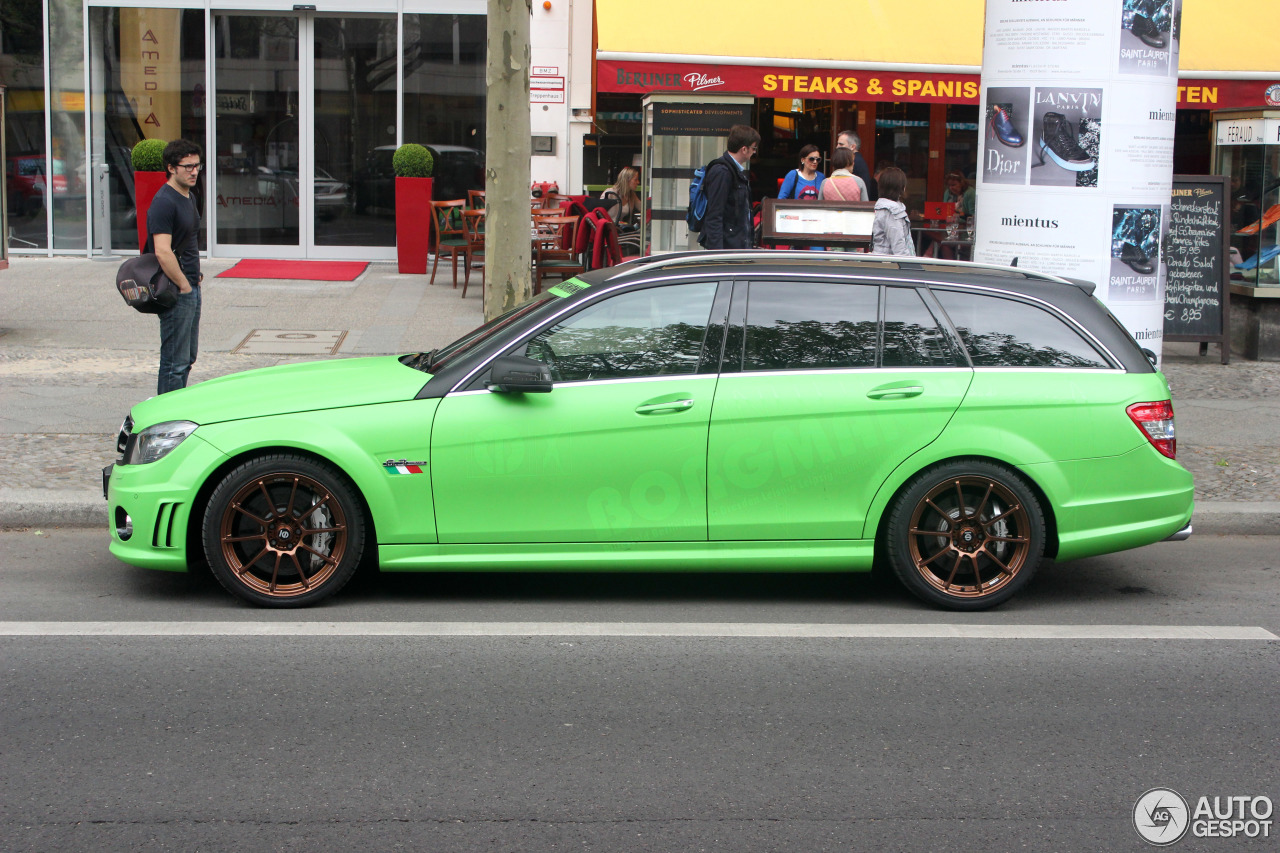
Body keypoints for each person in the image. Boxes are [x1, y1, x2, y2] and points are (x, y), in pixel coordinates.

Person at [148, 139, 204, 395]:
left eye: (197, 166)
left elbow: (189, 240)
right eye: (188, 166)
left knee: (187, 357)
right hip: (176, 289)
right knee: (174, 362)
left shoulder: (188, 197)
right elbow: (162, 250)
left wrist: (195, 276)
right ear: (171, 168)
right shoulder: (164, 202)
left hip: (191, 284)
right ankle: (166, 419)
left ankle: (175, 409)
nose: (194, 172)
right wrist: (183, 284)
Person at [699, 124, 759, 251]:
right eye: (754, 148)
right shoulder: (723, 172)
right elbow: (714, 214)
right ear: (744, 149)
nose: (754, 152)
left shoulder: (733, 171)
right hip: (728, 249)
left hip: (734, 247)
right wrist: (718, 256)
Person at [871, 166, 913, 256]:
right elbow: (898, 246)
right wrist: (909, 266)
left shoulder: (882, 207)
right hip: (890, 265)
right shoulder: (892, 211)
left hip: (881, 260)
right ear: (902, 187)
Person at [836, 129, 877, 200]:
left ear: (852, 147)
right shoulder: (858, 160)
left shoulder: (853, 162)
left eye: (841, 144)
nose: (837, 147)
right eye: (838, 144)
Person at [601, 166, 641, 231]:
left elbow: (641, 207)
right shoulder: (610, 193)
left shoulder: (631, 195)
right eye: (635, 180)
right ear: (627, 180)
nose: (638, 182)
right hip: (608, 230)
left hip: (620, 230)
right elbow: (599, 212)